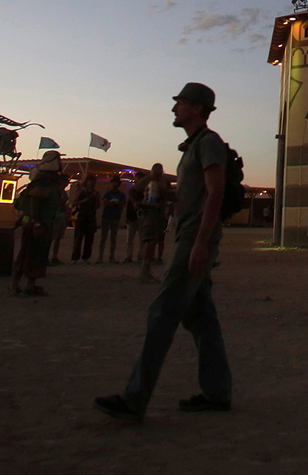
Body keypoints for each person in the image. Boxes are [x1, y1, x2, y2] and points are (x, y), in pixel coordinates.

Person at [95, 82, 233, 421]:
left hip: (193, 237)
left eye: (181, 103)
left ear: (197, 109)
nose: (174, 109)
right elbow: (198, 194)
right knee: (202, 319)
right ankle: (217, 393)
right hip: (189, 234)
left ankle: (135, 398)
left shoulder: (209, 143)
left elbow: (215, 193)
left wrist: (200, 243)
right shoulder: (193, 147)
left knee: (162, 313)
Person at [11, 152, 64, 295]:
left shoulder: (50, 180)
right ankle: (15, 286)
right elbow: (35, 199)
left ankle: (30, 285)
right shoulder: (44, 180)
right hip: (36, 224)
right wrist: (36, 222)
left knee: (38, 256)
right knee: (26, 255)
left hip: (44, 223)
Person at [137, 163, 168, 282]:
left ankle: (147, 269)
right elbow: (134, 192)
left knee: (155, 240)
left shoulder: (163, 181)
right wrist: (138, 204)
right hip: (149, 212)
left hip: (159, 213)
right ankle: (144, 271)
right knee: (149, 241)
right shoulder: (146, 180)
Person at [71, 174, 101, 263]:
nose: (91, 183)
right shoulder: (82, 192)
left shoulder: (96, 193)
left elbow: (98, 206)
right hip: (82, 216)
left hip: (91, 217)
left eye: (93, 182)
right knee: (78, 238)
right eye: (89, 182)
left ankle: (86, 257)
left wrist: (97, 199)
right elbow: (74, 203)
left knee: (89, 239)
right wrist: (83, 201)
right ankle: (75, 257)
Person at [99, 177, 126, 263]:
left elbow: (122, 204)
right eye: (113, 182)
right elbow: (105, 203)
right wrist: (115, 204)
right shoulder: (107, 194)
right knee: (103, 238)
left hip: (115, 218)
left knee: (113, 239)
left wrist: (113, 204)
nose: (114, 184)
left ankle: (111, 257)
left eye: (116, 183)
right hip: (106, 217)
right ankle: (100, 257)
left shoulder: (121, 195)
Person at [123, 177, 143, 262]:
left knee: (142, 238)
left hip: (141, 217)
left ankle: (140, 255)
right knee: (129, 239)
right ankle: (129, 256)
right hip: (132, 217)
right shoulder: (132, 192)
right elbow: (128, 206)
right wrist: (127, 217)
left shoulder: (144, 192)